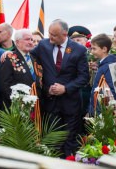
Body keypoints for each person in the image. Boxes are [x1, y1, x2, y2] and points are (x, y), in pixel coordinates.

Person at [31, 19, 89, 157]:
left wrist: (66, 88)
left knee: (69, 141)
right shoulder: (43, 45)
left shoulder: (79, 50)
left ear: (64, 34)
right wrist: (9, 53)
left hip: (70, 104)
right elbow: (29, 55)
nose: (50, 37)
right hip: (50, 103)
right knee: (52, 141)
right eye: (49, 34)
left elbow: (83, 78)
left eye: (54, 35)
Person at [0, 29, 42, 108]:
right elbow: (5, 85)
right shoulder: (9, 58)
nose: (30, 42)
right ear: (17, 42)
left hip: (36, 107)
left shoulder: (35, 58)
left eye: (31, 40)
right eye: (27, 39)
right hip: (17, 107)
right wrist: (18, 102)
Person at [88, 33, 116, 116]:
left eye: (94, 49)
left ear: (104, 49)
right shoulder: (102, 65)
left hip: (104, 111)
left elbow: (111, 90)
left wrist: (108, 111)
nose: (92, 51)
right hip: (98, 109)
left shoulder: (108, 66)